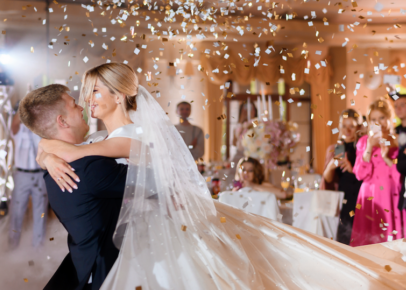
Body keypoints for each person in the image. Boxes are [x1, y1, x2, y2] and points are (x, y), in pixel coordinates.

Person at [37, 63, 406, 289]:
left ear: (119, 97)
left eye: (95, 91)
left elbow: (107, 153)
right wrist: (46, 153)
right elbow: (66, 148)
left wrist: (59, 151)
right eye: (86, 94)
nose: (88, 100)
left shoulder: (134, 136)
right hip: (136, 236)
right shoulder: (102, 138)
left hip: (160, 232)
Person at [18, 84, 132, 290]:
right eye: (73, 105)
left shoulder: (57, 164)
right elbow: (154, 181)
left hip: (85, 265)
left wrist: (45, 154)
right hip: (111, 273)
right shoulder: (89, 168)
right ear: (61, 121)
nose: (82, 107)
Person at [351, 99, 406, 246]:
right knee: (368, 243)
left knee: (391, 245)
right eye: (374, 119)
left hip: (391, 195)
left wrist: (386, 156)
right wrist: (369, 147)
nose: (379, 123)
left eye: (382, 117)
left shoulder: (398, 140)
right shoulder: (364, 141)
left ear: (389, 117)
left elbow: (400, 176)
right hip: (369, 196)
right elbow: (360, 174)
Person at [8, 96, 48, 249]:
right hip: (22, 175)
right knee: (17, 212)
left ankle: (38, 250)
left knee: (40, 213)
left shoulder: (39, 128)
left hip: (40, 174)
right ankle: (12, 246)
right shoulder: (18, 129)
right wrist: (24, 106)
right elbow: (15, 125)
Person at [321, 109, 363, 245]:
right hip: (344, 202)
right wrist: (331, 166)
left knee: (361, 240)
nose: (347, 130)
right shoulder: (336, 148)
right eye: (344, 126)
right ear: (339, 126)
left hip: (361, 197)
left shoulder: (363, 147)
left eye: (351, 126)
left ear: (358, 127)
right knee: (344, 241)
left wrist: (352, 169)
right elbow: (328, 181)